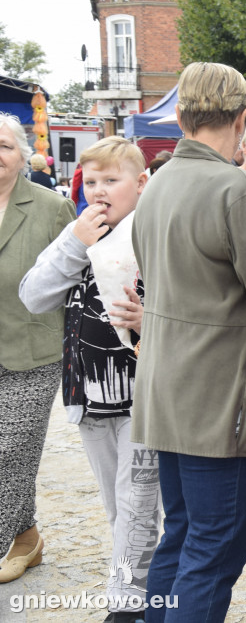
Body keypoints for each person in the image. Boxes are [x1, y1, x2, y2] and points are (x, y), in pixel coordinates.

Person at [131, 62, 246, 622]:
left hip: (167, 393)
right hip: (219, 405)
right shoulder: (235, 190)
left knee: (183, 537)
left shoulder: (161, 178)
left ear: (180, 114)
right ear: (242, 119)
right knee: (211, 553)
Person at [19, 136, 158, 623]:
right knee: (118, 509)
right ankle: (142, 594)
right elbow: (34, 295)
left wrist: (149, 318)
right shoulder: (79, 234)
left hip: (143, 398)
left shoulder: (152, 230)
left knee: (138, 506)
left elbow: (179, 307)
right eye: (91, 181)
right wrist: (75, 242)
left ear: (140, 184)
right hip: (87, 395)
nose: (99, 192)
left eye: (111, 181)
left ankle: (125, 608)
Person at [0, 112, 76, 583]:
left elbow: (76, 280)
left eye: (4, 147)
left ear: (23, 156)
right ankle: (26, 537)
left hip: (33, 351)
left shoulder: (49, 208)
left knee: (11, 450)